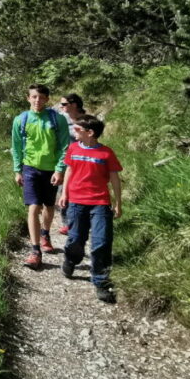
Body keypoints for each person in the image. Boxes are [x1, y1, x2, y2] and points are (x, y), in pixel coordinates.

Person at [58, 114, 123, 304]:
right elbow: (69, 170)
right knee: (76, 238)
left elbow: (114, 179)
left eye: (77, 129)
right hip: (77, 201)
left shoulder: (106, 153)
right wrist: (64, 193)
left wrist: (118, 203)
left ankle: (101, 281)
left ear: (90, 133)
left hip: (100, 202)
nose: (74, 132)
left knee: (102, 241)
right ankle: (71, 259)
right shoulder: (73, 148)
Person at [11, 83, 70, 269]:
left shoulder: (57, 120)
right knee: (33, 207)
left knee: (49, 206)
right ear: (28, 98)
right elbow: (17, 147)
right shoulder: (20, 120)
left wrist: (60, 169)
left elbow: (64, 146)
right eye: (34, 97)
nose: (37, 100)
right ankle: (35, 251)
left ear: (47, 99)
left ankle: (45, 233)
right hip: (30, 169)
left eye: (41, 97)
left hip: (51, 169)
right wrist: (17, 170)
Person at [57, 93, 86, 234]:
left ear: (74, 105)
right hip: (66, 160)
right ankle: (67, 223)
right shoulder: (63, 120)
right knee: (64, 190)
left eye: (64, 104)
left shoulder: (86, 120)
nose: (61, 107)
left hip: (83, 161)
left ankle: (81, 219)